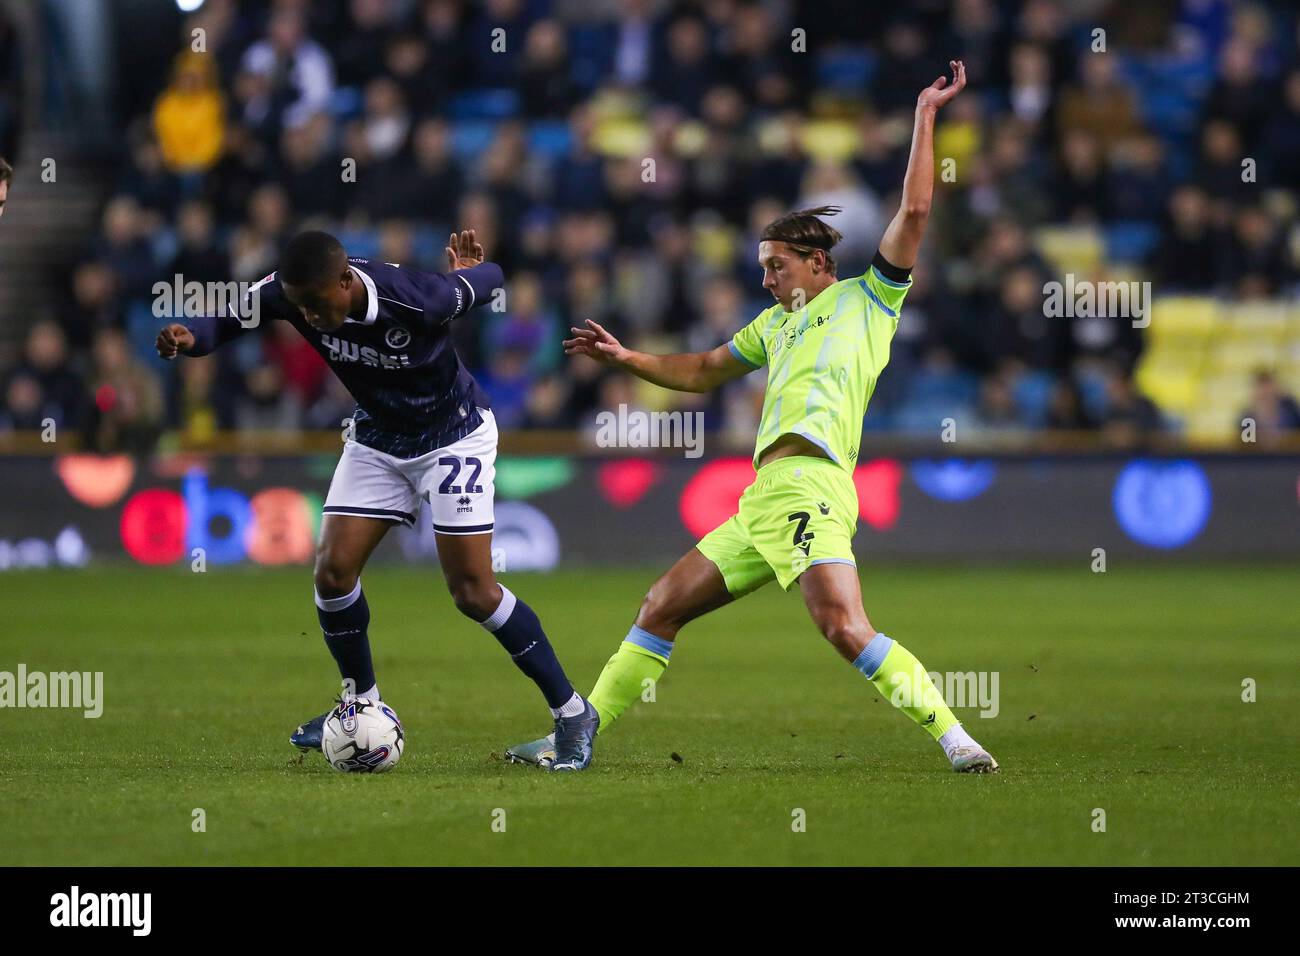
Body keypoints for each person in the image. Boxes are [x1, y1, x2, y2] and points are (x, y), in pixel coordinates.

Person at [509, 61, 999, 773]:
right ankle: (575, 740)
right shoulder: (774, 327)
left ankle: (958, 740)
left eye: (777, 266)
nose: (766, 279)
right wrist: (625, 358)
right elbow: (704, 370)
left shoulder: (870, 299)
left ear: (817, 262)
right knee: (659, 606)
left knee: (840, 625)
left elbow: (917, 212)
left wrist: (926, 115)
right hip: (762, 497)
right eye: (763, 267)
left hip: (813, 485)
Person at [155, 229, 599, 769]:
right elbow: (232, 316)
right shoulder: (290, 292)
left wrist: (464, 276)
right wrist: (191, 339)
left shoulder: (414, 297)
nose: (312, 318)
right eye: (301, 309)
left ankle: (573, 712)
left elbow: (494, 278)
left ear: (345, 282)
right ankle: (359, 703)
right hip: (377, 439)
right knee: (333, 574)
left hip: (454, 435)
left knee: (473, 592)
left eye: (319, 306)